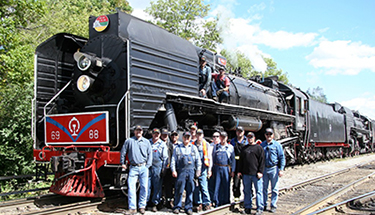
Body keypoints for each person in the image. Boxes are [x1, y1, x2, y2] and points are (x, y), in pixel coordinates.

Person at [120, 125, 152, 215]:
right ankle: (132, 208)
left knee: (144, 187)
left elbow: (150, 154)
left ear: (142, 132)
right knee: (131, 188)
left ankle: (142, 206)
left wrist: (148, 165)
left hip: (143, 167)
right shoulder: (129, 141)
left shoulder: (146, 142)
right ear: (134, 131)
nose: (138, 132)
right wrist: (122, 162)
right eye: (137, 130)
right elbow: (123, 151)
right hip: (133, 167)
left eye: (140, 130)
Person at [171, 132, 201, 215]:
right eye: (185, 137)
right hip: (181, 172)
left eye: (188, 137)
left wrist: (198, 171)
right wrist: (173, 170)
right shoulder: (177, 148)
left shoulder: (194, 148)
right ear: (182, 138)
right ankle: (177, 206)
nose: (187, 138)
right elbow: (173, 160)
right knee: (179, 190)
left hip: (191, 171)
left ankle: (188, 207)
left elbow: (198, 160)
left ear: (190, 138)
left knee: (190, 190)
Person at [237, 132, 265, 215]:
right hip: (246, 173)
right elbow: (240, 161)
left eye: (251, 137)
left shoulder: (259, 148)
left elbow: (262, 161)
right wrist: (239, 171)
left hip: (256, 174)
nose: (250, 139)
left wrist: (260, 171)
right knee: (246, 191)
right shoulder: (244, 149)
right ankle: (247, 207)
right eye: (248, 137)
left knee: (259, 191)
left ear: (254, 138)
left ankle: (260, 208)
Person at [261, 128, 286, 213]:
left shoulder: (277, 145)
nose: (268, 136)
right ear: (265, 135)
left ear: (273, 135)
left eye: (270, 134)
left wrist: (281, 169)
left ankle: (273, 205)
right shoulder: (262, 145)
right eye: (267, 134)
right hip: (264, 168)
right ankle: (264, 204)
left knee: (274, 189)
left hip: (274, 168)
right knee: (264, 188)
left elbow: (282, 157)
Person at [212, 131, 235, 207]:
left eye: (224, 137)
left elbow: (233, 160)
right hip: (217, 167)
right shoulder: (216, 147)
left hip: (226, 167)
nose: (223, 139)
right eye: (221, 137)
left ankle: (226, 201)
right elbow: (213, 157)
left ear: (227, 138)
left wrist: (232, 170)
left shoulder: (230, 147)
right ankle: (217, 201)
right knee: (217, 185)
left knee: (226, 184)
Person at [147, 128, 169, 212]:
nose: (156, 135)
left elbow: (165, 158)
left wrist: (164, 168)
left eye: (157, 134)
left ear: (159, 135)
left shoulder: (162, 144)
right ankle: (145, 202)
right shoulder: (148, 142)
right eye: (154, 133)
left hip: (158, 167)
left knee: (157, 186)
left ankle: (155, 203)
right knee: (147, 185)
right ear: (152, 134)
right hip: (148, 166)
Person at [192, 129, 212, 212]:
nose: (199, 136)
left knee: (204, 187)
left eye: (200, 134)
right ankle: (198, 202)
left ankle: (207, 203)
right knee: (196, 187)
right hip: (195, 168)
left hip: (203, 168)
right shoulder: (192, 144)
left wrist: (209, 169)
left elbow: (210, 157)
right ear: (196, 135)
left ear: (203, 135)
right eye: (198, 134)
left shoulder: (206, 144)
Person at [163, 130, 181, 209]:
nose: (174, 137)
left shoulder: (180, 145)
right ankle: (169, 200)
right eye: (172, 135)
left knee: (177, 185)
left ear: (178, 136)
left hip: (177, 168)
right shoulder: (168, 145)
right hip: (169, 168)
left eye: (175, 135)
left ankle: (176, 201)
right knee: (168, 185)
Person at [230, 126, 248, 202]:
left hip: (245, 164)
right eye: (238, 131)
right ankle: (236, 198)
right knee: (236, 183)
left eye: (240, 131)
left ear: (243, 132)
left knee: (247, 182)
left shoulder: (247, 141)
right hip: (236, 164)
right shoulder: (233, 141)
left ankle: (248, 198)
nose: (239, 133)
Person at [208, 131, 221, 201]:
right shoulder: (210, 146)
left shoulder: (222, 146)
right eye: (214, 136)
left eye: (217, 136)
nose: (215, 138)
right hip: (211, 167)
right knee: (211, 184)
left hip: (219, 167)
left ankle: (217, 200)